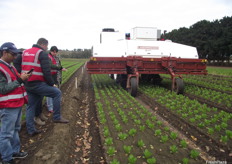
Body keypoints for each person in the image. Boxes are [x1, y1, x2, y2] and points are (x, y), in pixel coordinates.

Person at [13, 38, 69, 137]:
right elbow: (46, 71)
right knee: (57, 93)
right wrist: (52, 84)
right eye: (47, 46)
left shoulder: (24, 52)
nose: (47, 48)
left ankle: (31, 130)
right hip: (37, 83)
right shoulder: (41, 53)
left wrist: (20, 75)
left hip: (27, 83)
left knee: (31, 106)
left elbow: (16, 63)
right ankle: (57, 117)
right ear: (43, 45)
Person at [0, 42, 29, 164]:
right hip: (8, 106)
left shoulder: (10, 66)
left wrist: (22, 77)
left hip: (16, 103)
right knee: (7, 133)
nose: (15, 57)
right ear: (4, 52)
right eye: (13, 54)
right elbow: (3, 89)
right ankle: (7, 158)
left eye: (16, 54)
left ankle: (15, 151)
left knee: (16, 129)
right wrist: (20, 80)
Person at [46, 46, 67, 113]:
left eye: (56, 52)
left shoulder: (57, 58)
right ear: (51, 51)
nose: (54, 53)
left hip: (56, 77)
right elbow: (51, 66)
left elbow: (58, 66)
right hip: (50, 77)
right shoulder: (48, 57)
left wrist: (61, 68)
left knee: (56, 91)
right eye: (53, 52)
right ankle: (50, 107)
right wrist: (60, 68)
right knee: (50, 92)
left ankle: (55, 105)